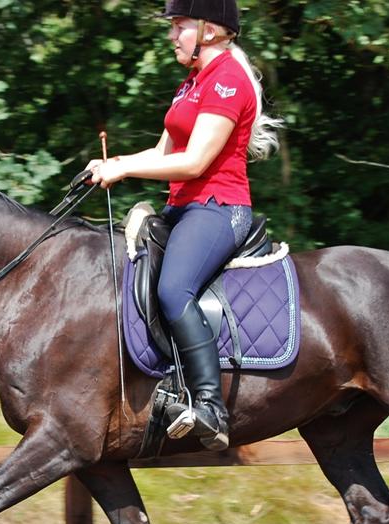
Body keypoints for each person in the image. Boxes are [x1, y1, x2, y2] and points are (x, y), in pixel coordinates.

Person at [88, 0, 282, 451]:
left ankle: (211, 408)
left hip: (218, 209)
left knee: (174, 290)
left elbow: (194, 162)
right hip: (182, 208)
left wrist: (124, 172)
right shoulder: (191, 84)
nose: (173, 35)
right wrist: (113, 163)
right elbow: (163, 154)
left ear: (210, 29)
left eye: (180, 26)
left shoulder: (229, 82)